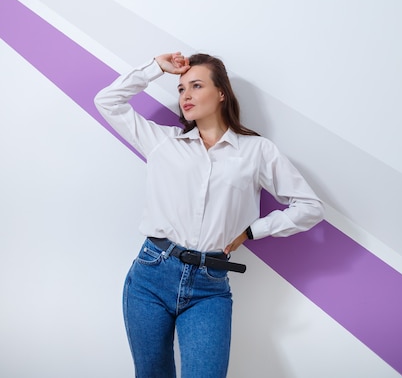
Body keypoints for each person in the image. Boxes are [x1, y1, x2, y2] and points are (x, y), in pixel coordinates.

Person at [94, 51, 324, 378]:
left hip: (209, 286)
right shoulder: (163, 141)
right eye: (181, 88)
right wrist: (156, 68)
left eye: (196, 86)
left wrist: (253, 230)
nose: (186, 95)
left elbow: (310, 206)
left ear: (221, 93)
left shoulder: (257, 151)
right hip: (151, 275)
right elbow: (107, 101)